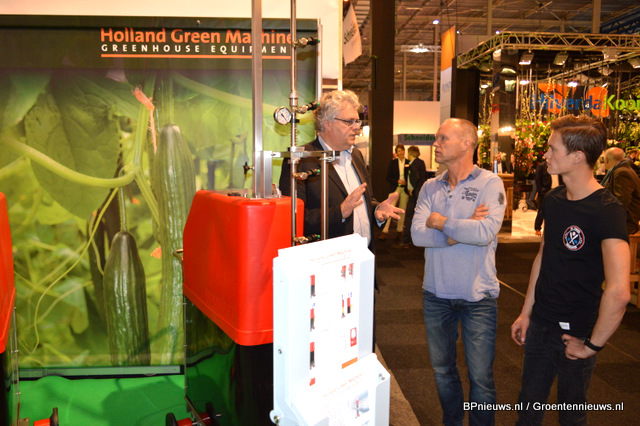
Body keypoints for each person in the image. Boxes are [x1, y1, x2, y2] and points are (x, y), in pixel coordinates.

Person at [511, 115, 630, 425]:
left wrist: (591, 346)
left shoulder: (607, 210)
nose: (545, 154)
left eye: (553, 148)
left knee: (571, 415)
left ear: (577, 156)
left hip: (576, 330)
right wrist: (526, 313)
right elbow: (543, 258)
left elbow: (619, 291)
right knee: (528, 411)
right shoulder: (553, 200)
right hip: (540, 324)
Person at [411, 118, 506, 425]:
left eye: (442, 138)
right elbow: (417, 235)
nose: (435, 144)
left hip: (478, 296)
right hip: (435, 294)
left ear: (466, 144)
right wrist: (459, 232)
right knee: (442, 372)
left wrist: (440, 222)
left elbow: (485, 232)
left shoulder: (490, 183)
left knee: (481, 378)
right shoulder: (430, 186)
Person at [278, 89, 404, 252]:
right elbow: (295, 218)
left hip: (364, 255)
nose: (357, 128)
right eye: (349, 122)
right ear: (327, 123)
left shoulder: (356, 155)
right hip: (327, 259)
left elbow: (364, 200)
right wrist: (340, 212)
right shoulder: (301, 160)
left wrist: (376, 209)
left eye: (357, 121)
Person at [602, 147, 640, 234]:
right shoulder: (624, 169)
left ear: (606, 159)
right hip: (625, 219)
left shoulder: (621, 172)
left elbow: (622, 201)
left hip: (626, 222)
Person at [396, 145, 426, 248]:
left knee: (408, 216)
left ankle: (406, 240)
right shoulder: (421, 162)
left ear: (411, 153)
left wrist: (412, 188)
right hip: (420, 194)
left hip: (414, 194)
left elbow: (416, 177)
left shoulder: (413, 164)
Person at [379, 144, 409, 240]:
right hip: (395, 188)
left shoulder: (408, 162)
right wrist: (397, 181)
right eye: (399, 151)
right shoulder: (393, 163)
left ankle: (400, 230)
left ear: (404, 151)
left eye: (402, 150)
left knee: (402, 210)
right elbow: (388, 177)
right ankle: (384, 231)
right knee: (389, 209)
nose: (401, 152)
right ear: (396, 153)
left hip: (405, 189)